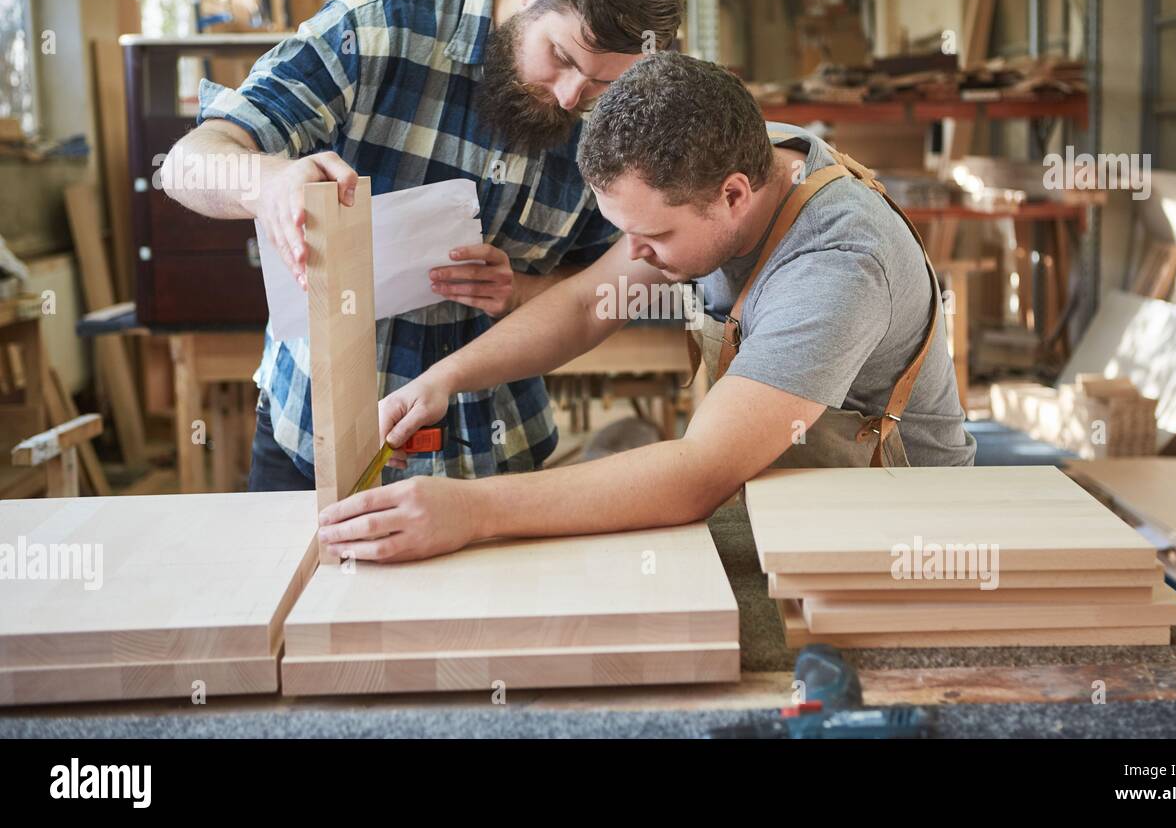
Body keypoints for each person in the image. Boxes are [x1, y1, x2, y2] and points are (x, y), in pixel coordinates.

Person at [315, 52, 977, 563]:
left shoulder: (838, 266)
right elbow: (585, 305)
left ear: (735, 195)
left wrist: (471, 511)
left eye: (654, 237)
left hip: (904, 534)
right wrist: (440, 382)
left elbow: (696, 473)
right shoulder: (727, 152)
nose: (635, 254)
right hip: (793, 503)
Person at [161, 0, 688, 489]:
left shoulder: (621, 109)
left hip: (495, 461)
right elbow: (190, 163)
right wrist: (268, 183)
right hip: (314, 445)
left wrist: (522, 292)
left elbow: (597, 284)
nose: (570, 98)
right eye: (560, 57)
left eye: (601, 84)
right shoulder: (381, 26)